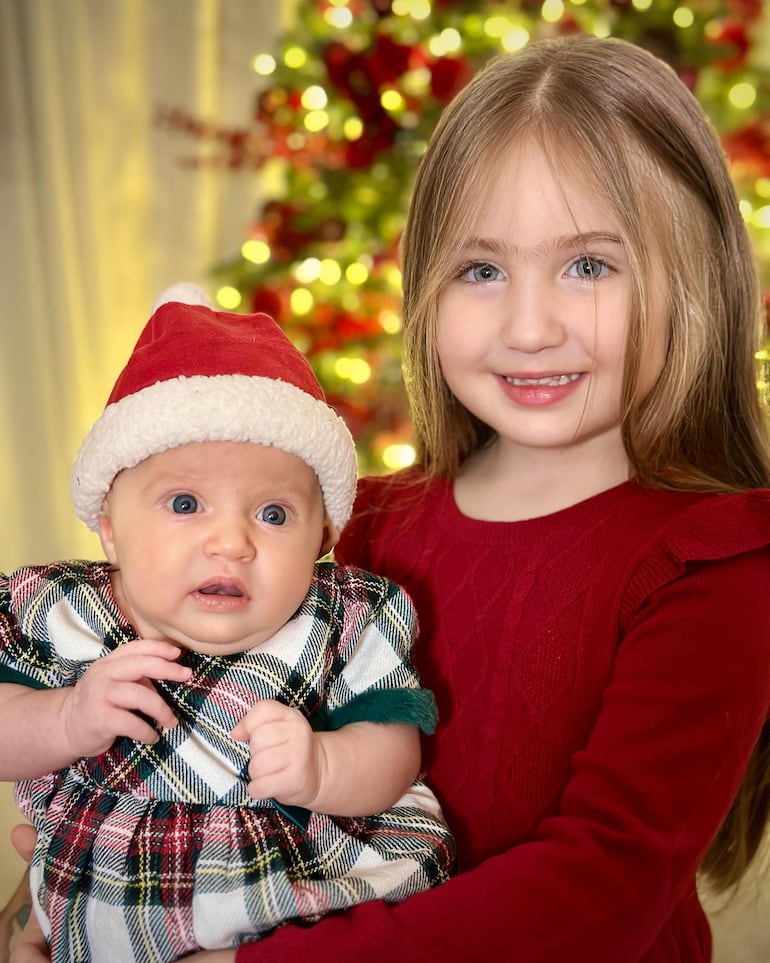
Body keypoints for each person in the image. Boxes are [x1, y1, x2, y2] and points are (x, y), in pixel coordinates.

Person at [6, 30, 770, 963]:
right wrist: (45, 911)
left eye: (590, 265)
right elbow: (147, 751)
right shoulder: (349, 525)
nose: (530, 327)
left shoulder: (713, 559)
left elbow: (601, 887)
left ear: (693, 278)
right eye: (481, 270)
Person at [0, 284, 455, 963]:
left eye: (273, 514)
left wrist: (322, 765)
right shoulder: (60, 610)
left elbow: (396, 750)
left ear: (322, 536)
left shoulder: (343, 616)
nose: (232, 542)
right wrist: (67, 719)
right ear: (110, 530)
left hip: (298, 894)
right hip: (116, 898)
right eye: (185, 502)